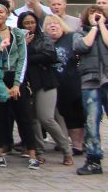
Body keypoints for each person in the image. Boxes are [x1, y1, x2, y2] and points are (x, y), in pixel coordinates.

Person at [0, 0, 39, 169]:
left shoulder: (17, 34)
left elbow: (22, 59)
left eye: (1, 12)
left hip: (15, 78)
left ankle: (32, 153)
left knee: (24, 116)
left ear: (7, 14)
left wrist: (16, 85)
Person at [18, 10, 72, 162]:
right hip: (28, 83)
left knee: (46, 118)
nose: (30, 26)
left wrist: (27, 55)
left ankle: (66, 149)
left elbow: (49, 56)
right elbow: (15, 58)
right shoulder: (19, 39)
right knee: (32, 119)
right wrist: (24, 45)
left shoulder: (44, 38)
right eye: (26, 23)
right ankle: (39, 151)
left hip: (45, 83)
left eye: (32, 22)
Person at [73, 3, 108, 175]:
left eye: (99, 13)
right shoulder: (80, 33)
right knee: (92, 122)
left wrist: (102, 25)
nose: (96, 15)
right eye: (93, 13)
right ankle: (93, 160)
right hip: (90, 82)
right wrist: (94, 28)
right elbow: (82, 46)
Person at [44, 13, 85, 154]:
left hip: (73, 83)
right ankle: (73, 144)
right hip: (56, 86)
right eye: (49, 24)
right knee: (66, 115)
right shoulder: (44, 43)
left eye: (56, 23)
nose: (53, 26)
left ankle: (79, 145)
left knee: (78, 115)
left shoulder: (71, 37)